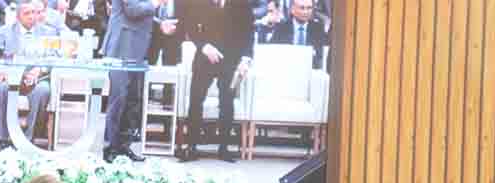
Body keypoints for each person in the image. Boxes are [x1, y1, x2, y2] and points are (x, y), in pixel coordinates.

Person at [176, 0, 253, 163]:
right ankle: (191, 147)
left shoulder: (242, 3)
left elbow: (248, 31)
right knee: (196, 99)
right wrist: (203, 46)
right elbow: (188, 25)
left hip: (231, 58)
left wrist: (246, 59)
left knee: (227, 102)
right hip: (204, 57)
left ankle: (224, 148)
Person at [101, 0, 163, 163]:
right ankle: (110, 148)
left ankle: (123, 146)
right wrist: (154, 4)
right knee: (118, 100)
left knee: (132, 101)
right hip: (122, 46)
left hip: (137, 50)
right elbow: (132, 10)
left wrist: (160, 23)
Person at [0, 0, 54, 153]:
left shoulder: (47, 32)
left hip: (36, 77)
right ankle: (1, 139)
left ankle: (28, 139)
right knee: (0, 88)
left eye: (34, 12)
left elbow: (53, 57)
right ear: (18, 17)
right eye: (27, 13)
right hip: (12, 76)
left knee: (42, 91)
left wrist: (40, 70)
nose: (32, 16)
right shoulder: (6, 31)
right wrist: (2, 69)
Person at [269, 0, 330, 69]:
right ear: (292, 10)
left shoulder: (318, 29)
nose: (306, 12)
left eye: (309, 8)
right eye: (302, 8)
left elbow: (322, 54)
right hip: (286, 68)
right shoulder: (281, 28)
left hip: (310, 69)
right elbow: (273, 52)